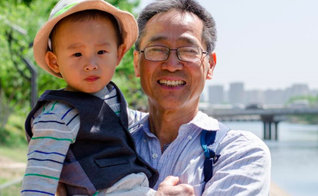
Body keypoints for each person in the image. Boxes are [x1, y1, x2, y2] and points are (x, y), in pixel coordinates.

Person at [131, 0, 271, 195]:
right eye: (157, 49)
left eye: (189, 51)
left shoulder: (239, 153)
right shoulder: (103, 136)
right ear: (137, 62)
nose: (171, 65)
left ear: (210, 66)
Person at [21, 0, 159, 195]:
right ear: (54, 62)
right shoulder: (57, 115)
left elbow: (127, 121)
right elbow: (38, 180)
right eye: (77, 54)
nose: (91, 64)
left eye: (101, 52)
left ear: (118, 54)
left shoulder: (111, 96)